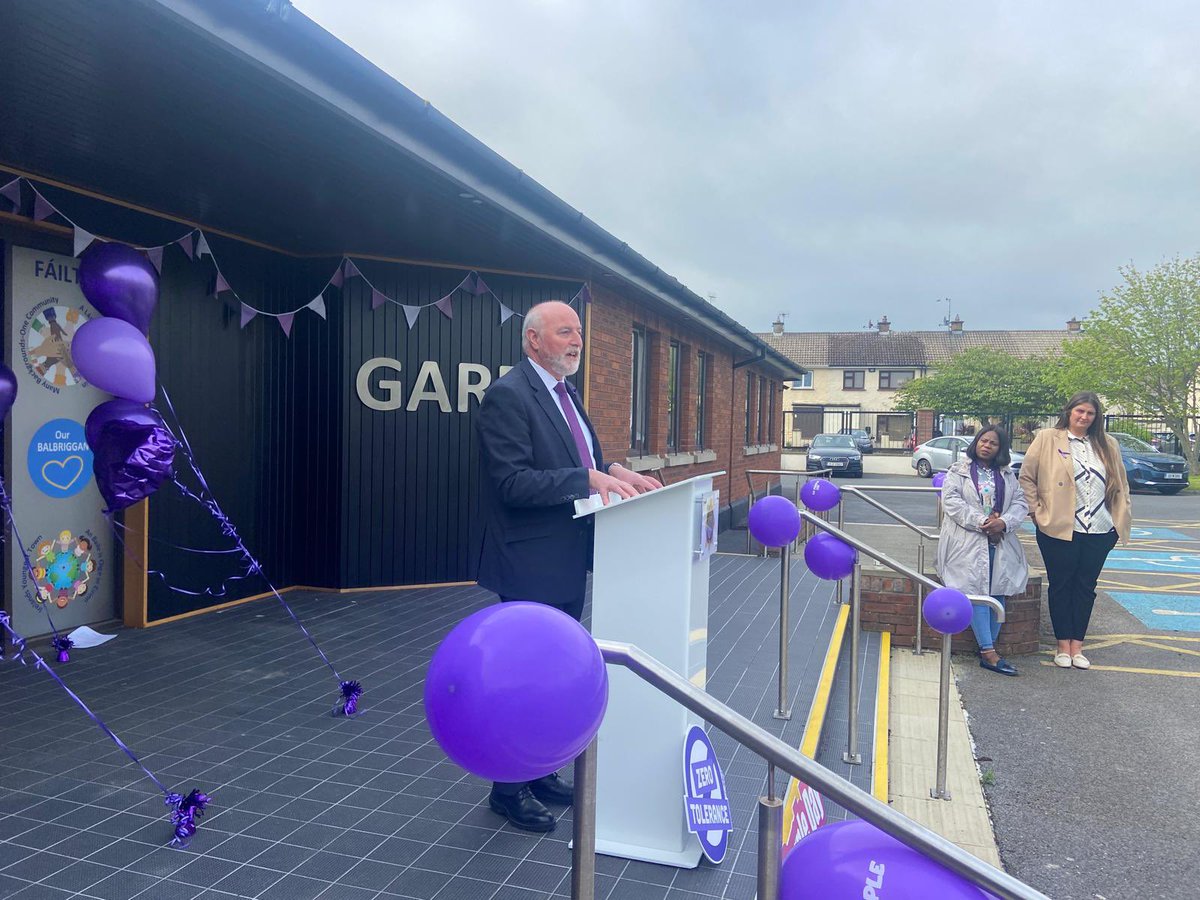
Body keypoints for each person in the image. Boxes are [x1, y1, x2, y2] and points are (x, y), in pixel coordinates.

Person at [474, 299, 661, 831]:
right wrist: (589, 481)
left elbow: (586, 464)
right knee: (521, 678)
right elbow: (512, 483)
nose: (576, 340)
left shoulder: (566, 392)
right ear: (534, 340)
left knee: (551, 675)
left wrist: (617, 471)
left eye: (578, 331)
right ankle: (506, 789)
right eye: (564, 332)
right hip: (529, 562)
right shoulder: (507, 397)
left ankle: (537, 770)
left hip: (566, 558)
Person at [1019, 392, 1131, 670]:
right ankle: (1061, 645)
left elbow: (1121, 484)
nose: (1084, 417)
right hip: (1058, 527)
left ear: (1096, 418)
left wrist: (1120, 520)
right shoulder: (1048, 438)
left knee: (1085, 587)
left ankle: (1077, 646)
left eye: (1090, 413)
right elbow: (1026, 476)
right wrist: (1036, 512)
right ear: (1069, 412)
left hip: (1101, 528)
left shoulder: (1107, 444)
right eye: (1079, 411)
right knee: (1061, 585)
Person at [936, 425, 1029, 676]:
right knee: (975, 591)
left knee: (997, 589)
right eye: (983, 440)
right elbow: (952, 502)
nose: (987, 445)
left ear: (1001, 449)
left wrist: (1004, 523)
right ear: (976, 443)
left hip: (999, 539)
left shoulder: (1008, 475)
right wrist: (983, 522)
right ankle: (988, 652)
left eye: (993, 443)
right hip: (967, 541)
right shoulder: (959, 471)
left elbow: (1021, 503)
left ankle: (989, 650)